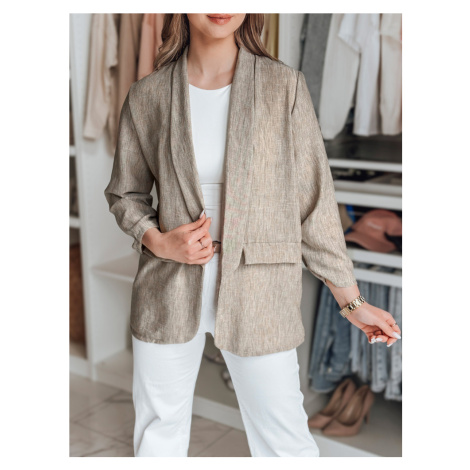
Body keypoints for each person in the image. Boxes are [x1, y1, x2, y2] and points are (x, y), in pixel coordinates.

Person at [104, 13, 402, 458]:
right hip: (166, 287)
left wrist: (352, 302)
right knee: (156, 439)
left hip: (261, 294)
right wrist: (157, 240)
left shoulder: (284, 86)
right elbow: (125, 193)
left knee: (285, 446)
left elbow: (314, 205)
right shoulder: (148, 94)